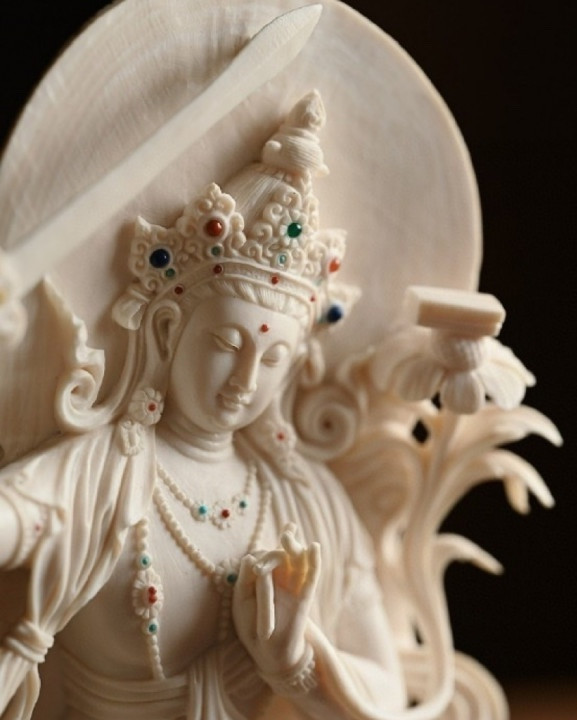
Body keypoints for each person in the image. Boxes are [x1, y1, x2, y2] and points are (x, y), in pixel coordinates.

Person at [0, 90, 412, 720]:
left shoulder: (309, 502)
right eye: (227, 344)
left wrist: (297, 666)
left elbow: (390, 694)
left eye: (272, 359)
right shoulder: (102, 473)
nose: (244, 379)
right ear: (169, 330)